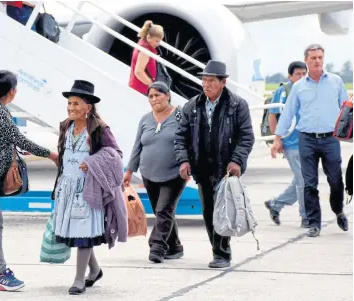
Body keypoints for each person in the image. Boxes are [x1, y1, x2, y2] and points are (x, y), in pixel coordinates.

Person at [0, 70, 58, 291]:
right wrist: (51, 154)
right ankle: (0, 273)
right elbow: (19, 138)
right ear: (12, 91)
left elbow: (6, 141)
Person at [174, 60, 255, 268]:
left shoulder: (238, 105)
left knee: (223, 209)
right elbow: (180, 137)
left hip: (225, 168)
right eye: (204, 80)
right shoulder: (192, 106)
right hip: (202, 167)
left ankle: (222, 253)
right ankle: (218, 250)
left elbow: (246, 137)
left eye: (211, 80)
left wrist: (237, 160)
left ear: (223, 82)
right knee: (209, 211)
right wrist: (183, 160)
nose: (206, 84)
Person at [51, 80, 126, 295]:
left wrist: (93, 162)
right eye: (69, 103)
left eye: (75, 103)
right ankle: (94, 270)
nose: (71, 107)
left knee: (84, 231)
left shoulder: (100, 129)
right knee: (76, 231)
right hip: (67, 187)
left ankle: (78, 279)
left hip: (88, 188)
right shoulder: (66, 126)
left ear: (88, 107)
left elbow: (116, 156)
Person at [271, 44, 349, 237]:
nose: (317, 61)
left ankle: (338, 211)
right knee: (309, 183)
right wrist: (277, 138)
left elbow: (346, 110)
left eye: (320, 57)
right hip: (306, 139)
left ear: (323, 59)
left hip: (330, 139)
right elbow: (287, 114)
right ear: (306, 60)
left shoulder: (336, 82)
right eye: (313, 58)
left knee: (336, 180)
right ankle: (314, 223)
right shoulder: (298, 87)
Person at [124, 81, 186, 263]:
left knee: (163, 210)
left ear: (168, 95)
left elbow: (189, 142)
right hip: (148, 173)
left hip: (174, 173)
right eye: (150, 96)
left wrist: (188, 163)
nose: (153, 99)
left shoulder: (180, 115)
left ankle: (157, 247)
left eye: (157, 95)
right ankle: (175, 247)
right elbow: (137, 146)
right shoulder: (145, 119)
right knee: (163, 213)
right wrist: (129, 170)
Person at [264, 61, 309, 227]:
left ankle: (276, 204)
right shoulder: (283, 91)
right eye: (298, 74)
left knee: (300, 180)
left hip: (308, 142)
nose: (302, 77)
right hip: (291, 143)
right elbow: (273, 115)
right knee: (303, 181)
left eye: (304, 73)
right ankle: (306, 217)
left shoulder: (309, 91)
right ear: (290, 76)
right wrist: (279, 139)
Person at [128, 20, 164, 95]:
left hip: (139, 87)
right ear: (149, 37)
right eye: (157, 41)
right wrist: (152, 85)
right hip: (141, 89)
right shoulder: (145, 51)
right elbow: (139, 72)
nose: (158, 44)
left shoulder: (142, 42)